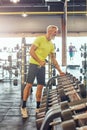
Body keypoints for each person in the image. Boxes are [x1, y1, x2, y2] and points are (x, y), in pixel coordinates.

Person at [21, 25, 65, 118]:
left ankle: (37, 108)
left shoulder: (51, 44)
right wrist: (39, 61)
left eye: (56, 32)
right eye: (55, 32)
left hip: (42, 66)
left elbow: (53, 59)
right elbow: (31, 51)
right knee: (29, 85)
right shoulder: (39, 39)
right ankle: (23, 107)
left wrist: (60, 71)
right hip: (33, 64)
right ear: (49, 31)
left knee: (40, 86)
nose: (56, 34)